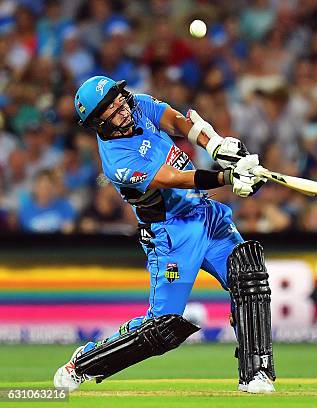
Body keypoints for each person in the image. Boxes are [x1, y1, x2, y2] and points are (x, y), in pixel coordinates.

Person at [53, 76, 276, 393]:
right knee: (162, 329)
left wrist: (215, 144)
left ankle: (256, 372)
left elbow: (176, 120)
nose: (120, 107)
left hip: (205, 216)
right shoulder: (118, 161)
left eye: (117, 97)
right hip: (171, 235)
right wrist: (227, 176)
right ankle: (85, 363)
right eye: (108, 108)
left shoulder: (135, 105)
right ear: (96, 123)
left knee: (249, 273)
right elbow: (174, 178)